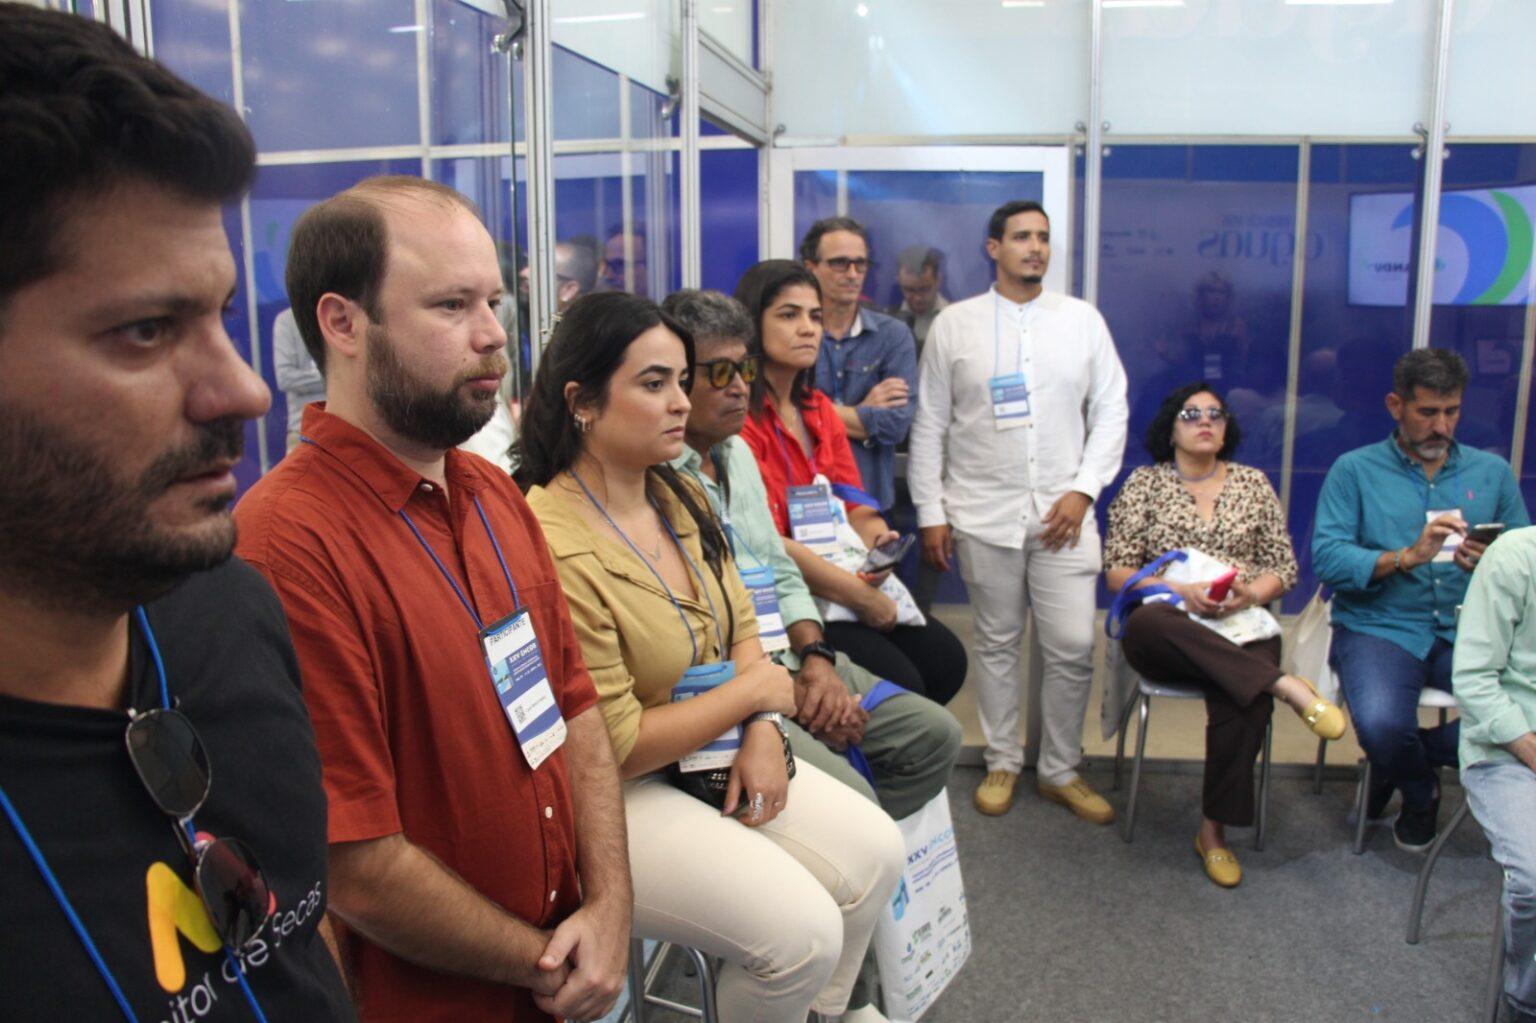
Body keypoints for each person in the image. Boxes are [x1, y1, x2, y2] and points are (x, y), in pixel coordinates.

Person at [0, 6, 352, 1019]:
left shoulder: (230, 608)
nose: (243, 390)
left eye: (219, 314)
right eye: (147, 331)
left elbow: (301, 939)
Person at [235, 176, 630, 1023]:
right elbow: (357, 863)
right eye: (452, 305)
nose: (492, 335)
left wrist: (609, 908)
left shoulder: (493, 496)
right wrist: (545, 961)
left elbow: (575, 708)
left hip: (561, 968)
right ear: (343, 323)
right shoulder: (286, 546)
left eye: (493, 301)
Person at [516, 291, 905, 1023]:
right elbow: (618, 746)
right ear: (582, 402)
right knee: (803, 935)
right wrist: (755, 696)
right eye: (653, 383)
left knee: (878, 852)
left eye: (680, 379)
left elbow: (741, 621)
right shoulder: (550, 538)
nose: (680, 401)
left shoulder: (676, 491)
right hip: (614, 796)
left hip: (714, 745)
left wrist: (762, 728)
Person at [662, 287, 963, 815]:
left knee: (936, 736)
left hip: (790, 646)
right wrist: (781, 687)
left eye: (745, 370)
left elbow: (779, 569)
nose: (739, 387)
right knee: (856, 802)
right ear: (678, 380)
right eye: (720, 373)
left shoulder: (737, 453)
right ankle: (837, 837)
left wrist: (818, 661)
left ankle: (832, 840)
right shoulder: (657, 474)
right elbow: (704, 624)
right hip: (731, 678)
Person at [909, 199, 1128, 823]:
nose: (1035, 247)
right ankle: (1003, 760)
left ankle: (1060, 769)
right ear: (993, 247)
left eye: (1043, 237)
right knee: (997, 642)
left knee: (1072, 645)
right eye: (1022, 237)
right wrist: (930, 511)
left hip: (1066, 515)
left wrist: (1085, 488)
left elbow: (1112, 409)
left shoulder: (1082, 321)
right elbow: (931, 422)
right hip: (982, 512)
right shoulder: (956, 325)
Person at [1105, 383, 1345, 887]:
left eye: (1215, 414)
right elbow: (1117, 571)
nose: (1205, 421)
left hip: (1241, 622)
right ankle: (1284, 685)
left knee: (1244, 698)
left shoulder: (1253, 484)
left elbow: (1282, 568)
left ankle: (1213, 833)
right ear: (1170, 426)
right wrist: (1180, 591)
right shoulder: (1144, 484)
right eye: (1191, 413)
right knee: (1152, 625)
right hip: (1168, 625)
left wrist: (1249, 594)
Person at [1313, 347, 1529, 852]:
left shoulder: (1491, 472)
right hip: (1379, 625)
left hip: (1470, 627)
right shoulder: (1354, 471)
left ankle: (1398, 761)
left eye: (1452, 411)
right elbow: (1328, 560)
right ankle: (1419, 790)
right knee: (1383, 724)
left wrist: (1491, 562)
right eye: (1427, 412)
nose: (1441, 426)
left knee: (1525, 709)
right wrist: (1406, 557)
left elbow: (1526, 557)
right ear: (1396, 406)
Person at [735, 260, 969, 706]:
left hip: (843, 575)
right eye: (789, 315)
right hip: (786, 593)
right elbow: (768, 544)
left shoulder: (818, 408)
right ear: (752, 325)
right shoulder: (739, 419)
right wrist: (861, 597)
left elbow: (854, 502)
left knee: (946, 662)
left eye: (814, 316)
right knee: (904, 684)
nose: (808, 328)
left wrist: (878, 544)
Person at [1453, 525, 1536, 1023]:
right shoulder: (1515, 557)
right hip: (1510, 746)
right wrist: (1528, 746)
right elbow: (1474, 679)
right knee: (1534, 880)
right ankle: (1527, 1005)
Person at [801, 216, 917, 513]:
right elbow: (786, 418)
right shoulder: (797, 335)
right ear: (811, 267)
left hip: (870, 503)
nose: (852, 274)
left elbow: (895, 426)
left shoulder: (893, 335)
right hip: (806, 504)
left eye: (860, 264)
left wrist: (817, 413)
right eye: (840, 263)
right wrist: (863, 411)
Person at [273, 307, 327, 453]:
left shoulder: (339, 314)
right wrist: (334, 376)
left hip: (342, 430)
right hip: (302, 433)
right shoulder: (286, 321)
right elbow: (285, 378)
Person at [890, 245, 949, 354]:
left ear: (938, 281)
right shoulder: (888, 319)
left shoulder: (954, 319)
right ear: (899, 282)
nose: (918, 298)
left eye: (924, 289)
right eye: (909, 290)